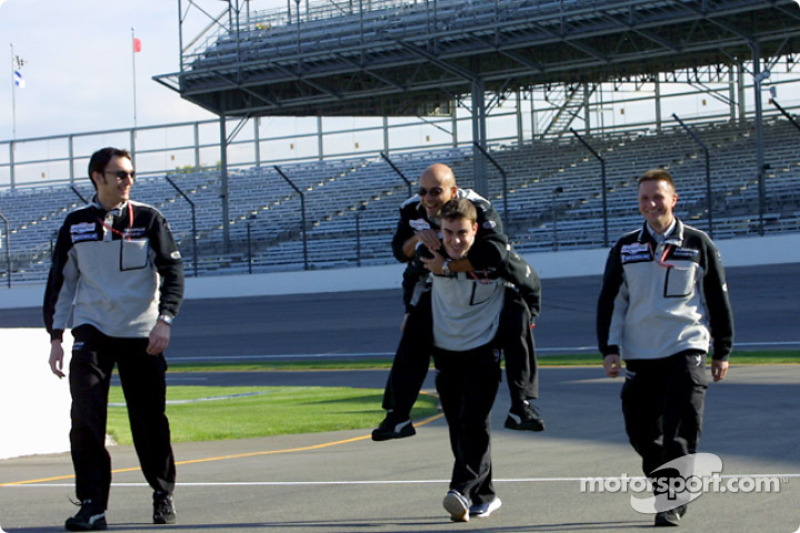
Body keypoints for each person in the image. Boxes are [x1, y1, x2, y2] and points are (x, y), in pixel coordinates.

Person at [43, 147, 185, 531]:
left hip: (143, 334)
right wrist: (56, 336)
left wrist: (164, 321)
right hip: (92, 330)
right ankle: (93, 505)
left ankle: (162, 491)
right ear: (97, 177)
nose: (128, 181)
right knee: (85, 418)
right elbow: (61, 283)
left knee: (149, 420)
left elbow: (173, 274)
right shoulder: (74, 224)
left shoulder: (150, 218)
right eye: (120, 174)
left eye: (131, 174)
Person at [596, 169, 734, 528]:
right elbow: (611, 301)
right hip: (640, 353)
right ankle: (670, 486)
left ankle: (670, 501)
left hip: (686, 347)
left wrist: (723, 349)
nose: (651, 204)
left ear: (674, 199)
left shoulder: (698, 242)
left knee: (680, 432)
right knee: (642, 434)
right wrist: (609, 348)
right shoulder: (625, 246)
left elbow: (716, 300)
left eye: (658, 197)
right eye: (644, 198)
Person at [372, 163, 543, 441]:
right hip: (443, 291)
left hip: (496, 284)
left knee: (517, 317)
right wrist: (419, 240)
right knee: (414, 331)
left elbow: (496, 253)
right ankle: (398, 414)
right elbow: (401, 253)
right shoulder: (412, 209)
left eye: (435, 192)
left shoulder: (479, 206)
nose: (427, 198)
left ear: (453, 192)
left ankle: (521, 405)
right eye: (423, 191)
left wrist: (448, 267)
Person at [428, 198, 509, 522]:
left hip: (484, 349)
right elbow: (410, 264)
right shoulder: (429, 257)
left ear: (475, 229)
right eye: (448, 232)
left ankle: (460, 489)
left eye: (462, 232)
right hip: (446, 352)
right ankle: (484, 495)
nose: (455, 239)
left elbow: (520, 274)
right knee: (459, 426)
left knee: (474, 420)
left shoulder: (494, 258)